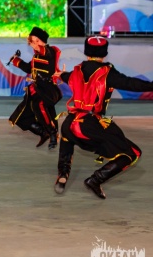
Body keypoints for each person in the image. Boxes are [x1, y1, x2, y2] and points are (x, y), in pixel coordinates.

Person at [54, 36, 153, 199]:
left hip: (69, 122)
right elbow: (131, 84)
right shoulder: (107, 72)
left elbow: (67, 76)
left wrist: (61, 75)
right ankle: (95, 179)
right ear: (105, 53)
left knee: (67, 139)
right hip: (90, 125)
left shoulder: (77, 70)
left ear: (86, 52)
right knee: (132, 153)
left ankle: (62, 177)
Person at [9, 26, 62, 149]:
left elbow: (46, 52)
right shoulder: (36, 56)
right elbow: (29, 68)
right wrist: (16, 60)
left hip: (48, 90)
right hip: (37, 90)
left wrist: (39, 47)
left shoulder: (51, 51)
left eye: (37, 41)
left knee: (39, 105)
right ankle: (43, 133)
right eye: (32, 41)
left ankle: (52, 132)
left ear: (43, 41)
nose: (34, 44)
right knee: (20, 117)